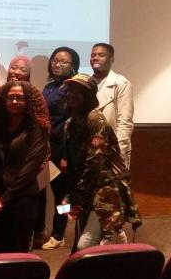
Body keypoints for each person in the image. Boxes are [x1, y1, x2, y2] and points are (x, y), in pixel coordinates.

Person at [62, 74, 141, 250]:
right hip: (86, 187)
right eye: (70, 90)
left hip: (105, 189)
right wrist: (69, 196)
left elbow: (94, 163)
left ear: (89, 96)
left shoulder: (95, 118)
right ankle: (114, 232)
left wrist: (77, 197)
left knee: (85, 245)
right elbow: (73, 164)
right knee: (78, 234)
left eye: (79, 91)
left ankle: (114, 234)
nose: (72, 94)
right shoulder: (70, 123)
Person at [0, 81, 50, 253]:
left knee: (19, 252)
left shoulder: (37, 127)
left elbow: (31, 167)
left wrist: (5, 198)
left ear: (28, 101)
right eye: (10, 98)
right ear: (3, 101)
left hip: (23, 198)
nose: (14, 102)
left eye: (20, 98)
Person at [41, 47, 80, 250]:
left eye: (63, 62)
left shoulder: (72, 89)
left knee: (62, 195)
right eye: (55, 60)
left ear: (72, 66)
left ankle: (59, 233)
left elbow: (71, 124)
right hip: (46, 148)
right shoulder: (48, 88)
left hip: (63, 149)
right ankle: (45, 230)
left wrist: (66, 154)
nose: (57, 64)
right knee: (44, 191)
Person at [90, 43, 134, 169]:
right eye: (93, 55)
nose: (95, 58)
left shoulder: (121, 83)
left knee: (110, 187)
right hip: (88, 149)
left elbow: (125, 122)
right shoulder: (86, 82)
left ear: (111, 59)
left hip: (111, 148)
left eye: (101, 55)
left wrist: (118, 150)